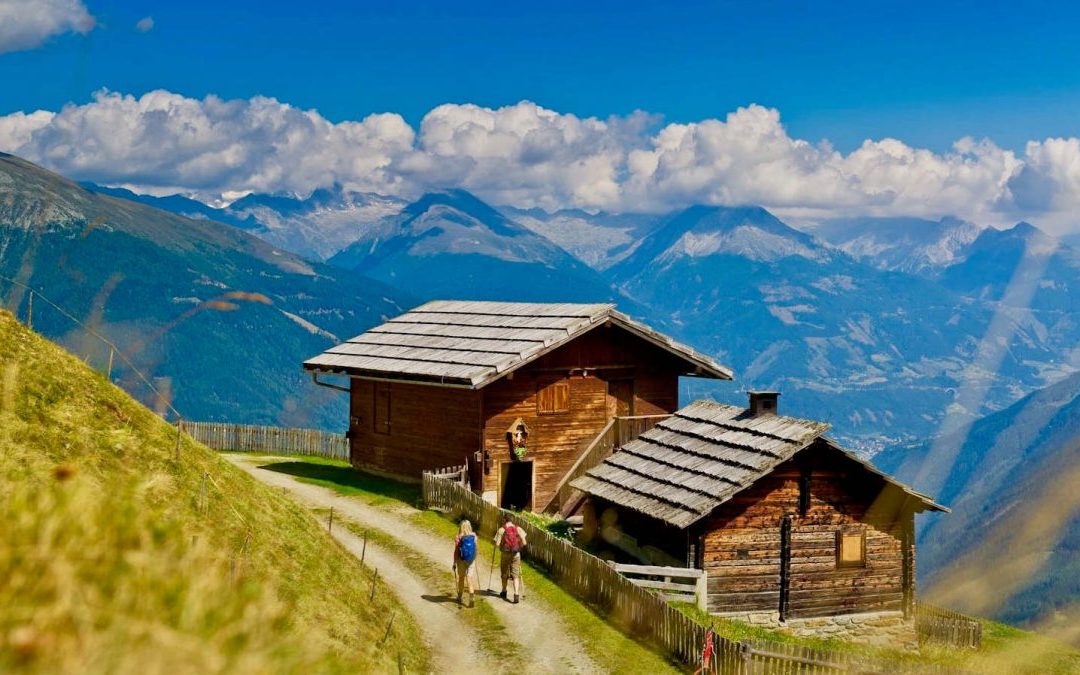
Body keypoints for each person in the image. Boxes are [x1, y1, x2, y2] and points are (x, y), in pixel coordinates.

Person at [493, 514, 526, 603]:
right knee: (515, 575)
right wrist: (519, 547)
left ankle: (504, 591)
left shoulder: (501, 530)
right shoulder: (518, 528)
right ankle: (516, 594)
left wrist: (498, 544)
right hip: (516, 554)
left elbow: (497, 544)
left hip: (505, 554)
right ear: (512, 520)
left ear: (504, 520)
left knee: (504, 573)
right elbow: (524, 542)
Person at [452, 519, 478, 607]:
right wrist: (475, 557)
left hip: (461, 560)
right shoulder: (474, 536)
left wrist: (454, 562)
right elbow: (476, 548)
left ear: (461, 527)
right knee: (469, 578)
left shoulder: (458, 537)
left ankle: (460, 596)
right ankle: (471, 597)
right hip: (471, 560)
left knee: (462, 578)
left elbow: (456, 551)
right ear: (469, 526)